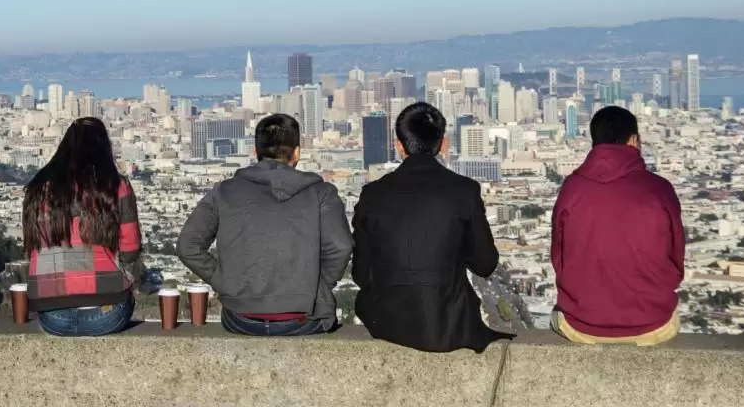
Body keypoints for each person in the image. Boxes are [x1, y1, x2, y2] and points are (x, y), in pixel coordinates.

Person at [352, 102, 510, 352]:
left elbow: (361, 275)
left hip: (386, 324)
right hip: (449, 325)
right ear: (443, 144)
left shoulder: (372, 194)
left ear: (398, 145)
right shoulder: (464, 191)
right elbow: (485, 264)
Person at [177, 114, 353, 336]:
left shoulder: (225, 192)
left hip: (241, 318)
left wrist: (223, 281)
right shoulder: (321, 194)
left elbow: (187, 245)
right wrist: (315, 288)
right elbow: (341, 246)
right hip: (303, 319)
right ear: (297, 152)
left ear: (255, 152)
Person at [551, 106, 684, 346]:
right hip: (653, 324)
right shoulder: (659, 189)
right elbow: (676, 258)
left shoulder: (572, 189)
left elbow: (558, 257)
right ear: (634, 140)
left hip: (580, 325)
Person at [23, 117, 142, 337]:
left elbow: (32, 246)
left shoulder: (37, 187)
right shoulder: (116, 185)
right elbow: (131, 248)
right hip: (107, 314)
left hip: (52, 315)